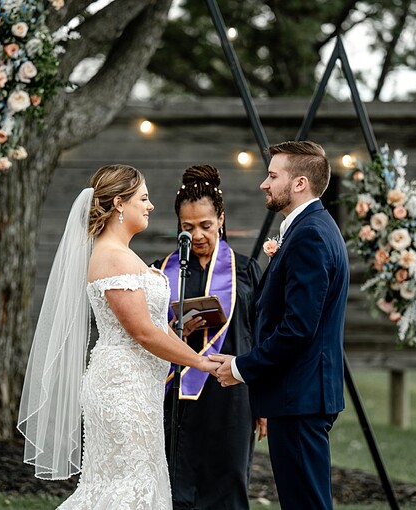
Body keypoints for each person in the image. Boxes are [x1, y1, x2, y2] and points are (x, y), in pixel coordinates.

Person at [18, 164, 221, 510]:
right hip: (122, 389)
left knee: (135, 482)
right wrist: (200, 362)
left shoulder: (123, 254)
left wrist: (186, 345)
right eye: (143, 198)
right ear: (119, 203)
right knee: (127, 487)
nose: (151, 205)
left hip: (138, 387)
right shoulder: (113, 257)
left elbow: (153, 326)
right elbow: (142, 332)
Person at [211, 141, 349, 510]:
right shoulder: (310, 228)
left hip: (301, 396)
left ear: (300, 183)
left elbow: (298, 328)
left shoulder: (311, 235)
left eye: (273, 176)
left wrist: (241, 367)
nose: (264, 183)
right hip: (299, 394)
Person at [153, 164, 266, 510]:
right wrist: (174, 329)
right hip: (176, 398)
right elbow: (148, 335)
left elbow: (261, 337)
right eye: (188, 227)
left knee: (228, 486)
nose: (198, 235)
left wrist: (264, 404)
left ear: (221, 219)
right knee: (177, 488)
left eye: (205, 225)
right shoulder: (161, 273)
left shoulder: (245, 270)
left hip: (231, 397)